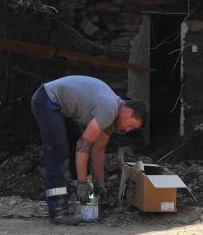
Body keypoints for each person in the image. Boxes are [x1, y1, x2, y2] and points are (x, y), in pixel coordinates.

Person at [31, 75, 148, 223]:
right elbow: (84, 144)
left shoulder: (113, 118)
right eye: (131, 125)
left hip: (61, 108)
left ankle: (80, 199)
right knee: (59, 153)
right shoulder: (109, 109)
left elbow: (98, 150)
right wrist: (82, 182)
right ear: (128, 112)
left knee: (77, 148)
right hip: (47, 99)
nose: (128, 129)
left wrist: (99, 185)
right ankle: (58, 211)